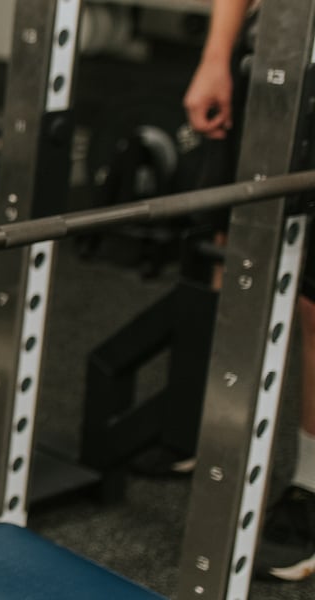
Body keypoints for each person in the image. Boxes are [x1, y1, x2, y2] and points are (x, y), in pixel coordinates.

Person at [185, 0, 315, 582]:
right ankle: (222, 439)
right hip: (272, 57)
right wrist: (217, 56)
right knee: (233, 245)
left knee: (314, 304)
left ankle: (310, 488)